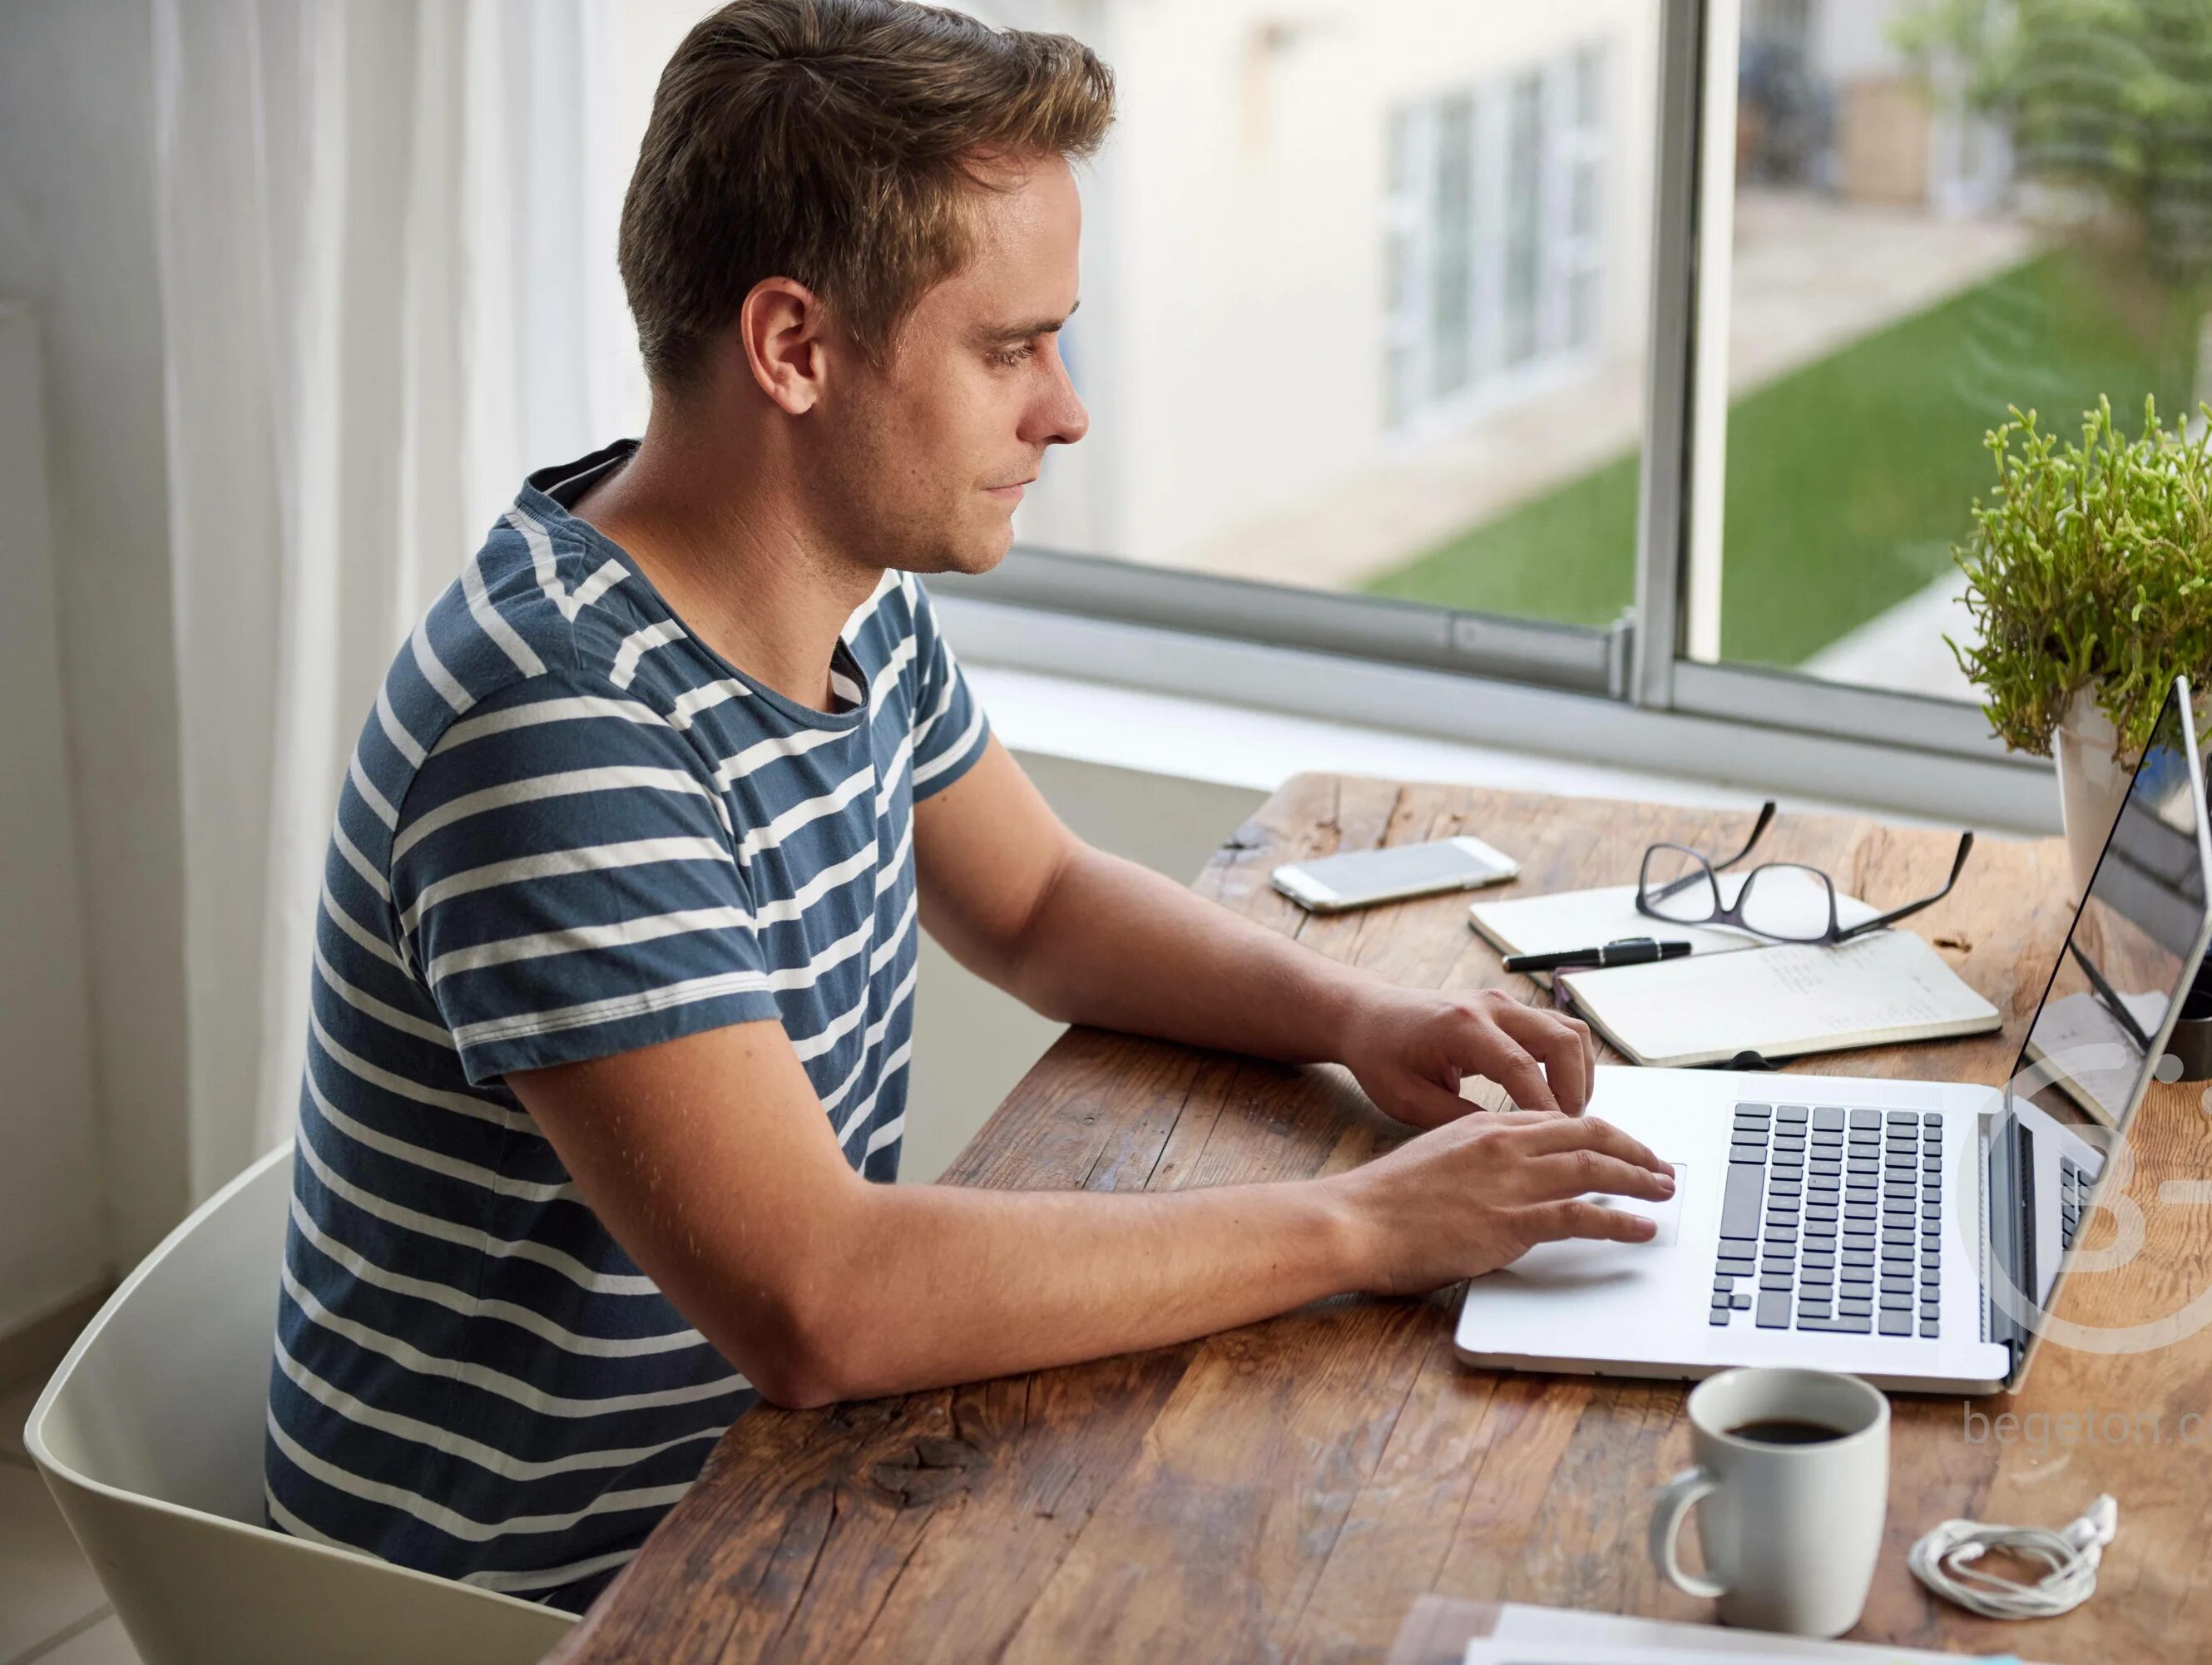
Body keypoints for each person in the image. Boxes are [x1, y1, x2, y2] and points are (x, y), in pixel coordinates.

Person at [265, 0, 1673, 1611]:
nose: (1064, 409)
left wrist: (1359, 1013)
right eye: (1011, 348)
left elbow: (1041, 905)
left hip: (766, 1489)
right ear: (793, 347)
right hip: (561, 1600)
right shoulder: (556, 731)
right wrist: (1364, 1224)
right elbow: (824, 1297)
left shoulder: (841, 600)